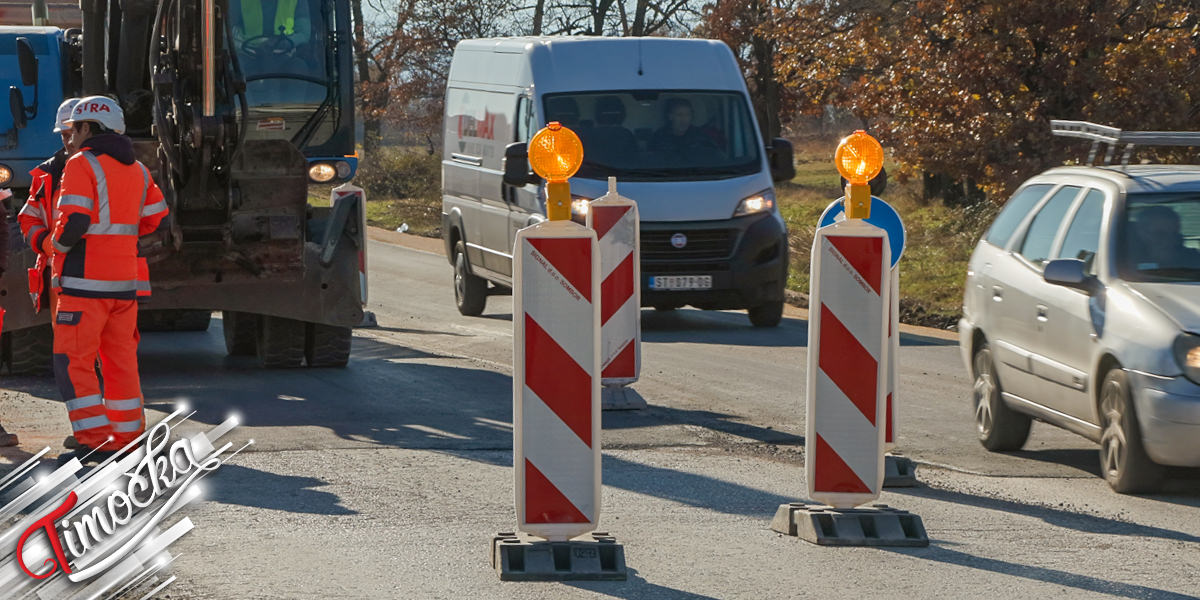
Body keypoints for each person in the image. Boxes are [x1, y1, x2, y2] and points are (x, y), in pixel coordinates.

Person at [51, 96, 169, 460]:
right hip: (124, 284)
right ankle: (127, 439)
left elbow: (75, 222)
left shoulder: (81, 163)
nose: (72, 136)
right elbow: (156, 217)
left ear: (88, 128)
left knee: (73, 362)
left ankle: (95, 441)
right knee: (120, 362)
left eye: (74, 129)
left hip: (84, 284)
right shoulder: (138, 169)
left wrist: (55, 246)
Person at [19, 98, 80, 318]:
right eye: (64, 135)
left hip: (96, 277)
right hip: (59, 278)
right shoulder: (46, 176)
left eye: (73, 134)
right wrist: (46, 243)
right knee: (65, 338)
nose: (69, 141)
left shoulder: (110, 172)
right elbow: (28, 217)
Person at [1128, 205, 1200, 271]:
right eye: (1160, 234)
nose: (1169, 240)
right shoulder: (1125, 262)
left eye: (1174, 233)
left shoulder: (1193, 259)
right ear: (1142, 233)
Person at [650, 98, 717, 157]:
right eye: (679, 115)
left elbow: (713, 156)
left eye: (688, 115)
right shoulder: (658, 137)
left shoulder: (701, 136)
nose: (684, 120)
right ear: (670, 116)